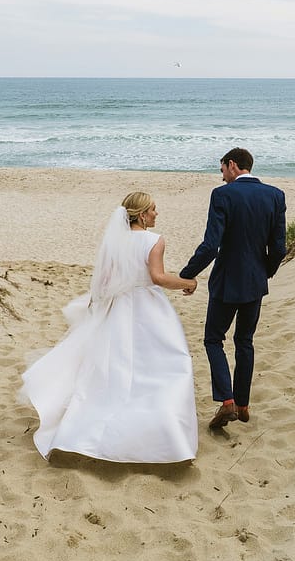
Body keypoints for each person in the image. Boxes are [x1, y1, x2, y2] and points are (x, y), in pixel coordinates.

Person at [19, 192, 199, 463]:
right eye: (153, 210)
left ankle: (87, 430)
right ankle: (163, 434)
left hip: (118, 307)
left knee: (113, 366)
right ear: (141, 214)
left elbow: (103, 281)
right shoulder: (154, 241)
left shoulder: (115, 241)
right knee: (164, 364)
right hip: (148, 308)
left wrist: (98, 308)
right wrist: (189, 283)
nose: (156, 214)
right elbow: (158, 277)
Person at [179, 148, 287, 430]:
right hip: (255, 282)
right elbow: (279, 247)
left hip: (226, 281)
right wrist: (266, 270)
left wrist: (187, 275)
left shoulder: (222, 195)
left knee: (213, 339)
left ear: (233, 165)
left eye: (222, 169)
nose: (222, 175)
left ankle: (226, 400)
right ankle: (243, 404)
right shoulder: (275, 195)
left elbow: (210, 246)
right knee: (245, 341)